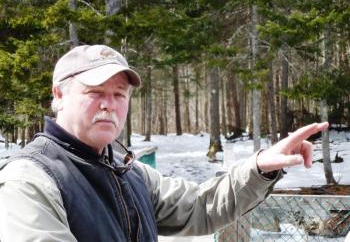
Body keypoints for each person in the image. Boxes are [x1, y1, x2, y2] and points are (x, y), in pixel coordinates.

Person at [0, 44, 329, 242]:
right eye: (94, 92)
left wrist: (259, 168)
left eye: (119, 94)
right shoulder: (30, 180)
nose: (108, 105)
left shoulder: (126, 170)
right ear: (59, 94)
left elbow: (199, 206)